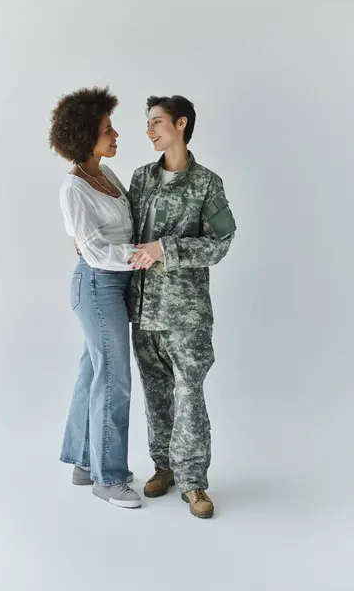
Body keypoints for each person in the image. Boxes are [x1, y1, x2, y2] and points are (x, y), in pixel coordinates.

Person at [127, 95, 237, 519]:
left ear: (181, 124)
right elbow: (124, 232)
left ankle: (194, 482)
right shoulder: (141, 179)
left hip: (186, 315)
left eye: (156, 122)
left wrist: (166, 248)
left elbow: (220, 243)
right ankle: (164, 467)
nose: (150, 130)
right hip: (143, 310)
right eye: (148, 123)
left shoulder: (206, 183)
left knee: (189, 393)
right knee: (155, 393)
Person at [49, 86, 156, 509]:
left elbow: (113, 234)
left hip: (114, 283)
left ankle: (84, 462)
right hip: (96, 286)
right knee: (114, 377)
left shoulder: (105, 175)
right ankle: (108, 478)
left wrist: (135, 251)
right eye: (108, 129)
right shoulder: (74, 188)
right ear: (85, 136)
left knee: (94, 372)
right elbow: (95, 251)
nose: (116, 135)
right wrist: (143, 255)